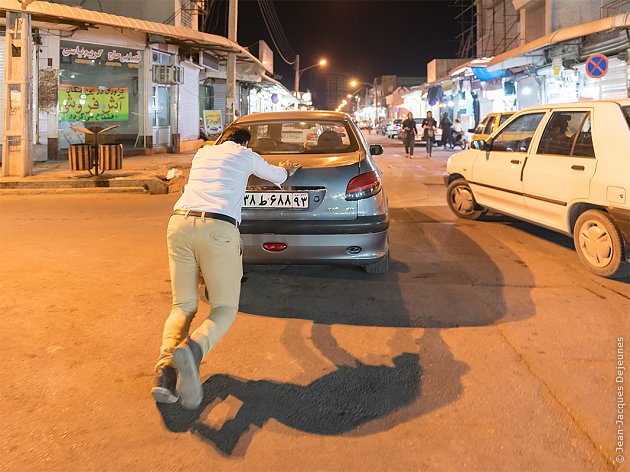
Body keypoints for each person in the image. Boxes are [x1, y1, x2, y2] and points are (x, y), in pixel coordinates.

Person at [151, 126, 300, 410]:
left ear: (221, 139)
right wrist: (287, 169)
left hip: (180, 224)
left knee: (182, 306)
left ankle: (165, 374)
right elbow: (279, 176)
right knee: (224, 309)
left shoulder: (202, 153)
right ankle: (193, 351)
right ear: (245, 142)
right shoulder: (246, 154)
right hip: (218, 231)